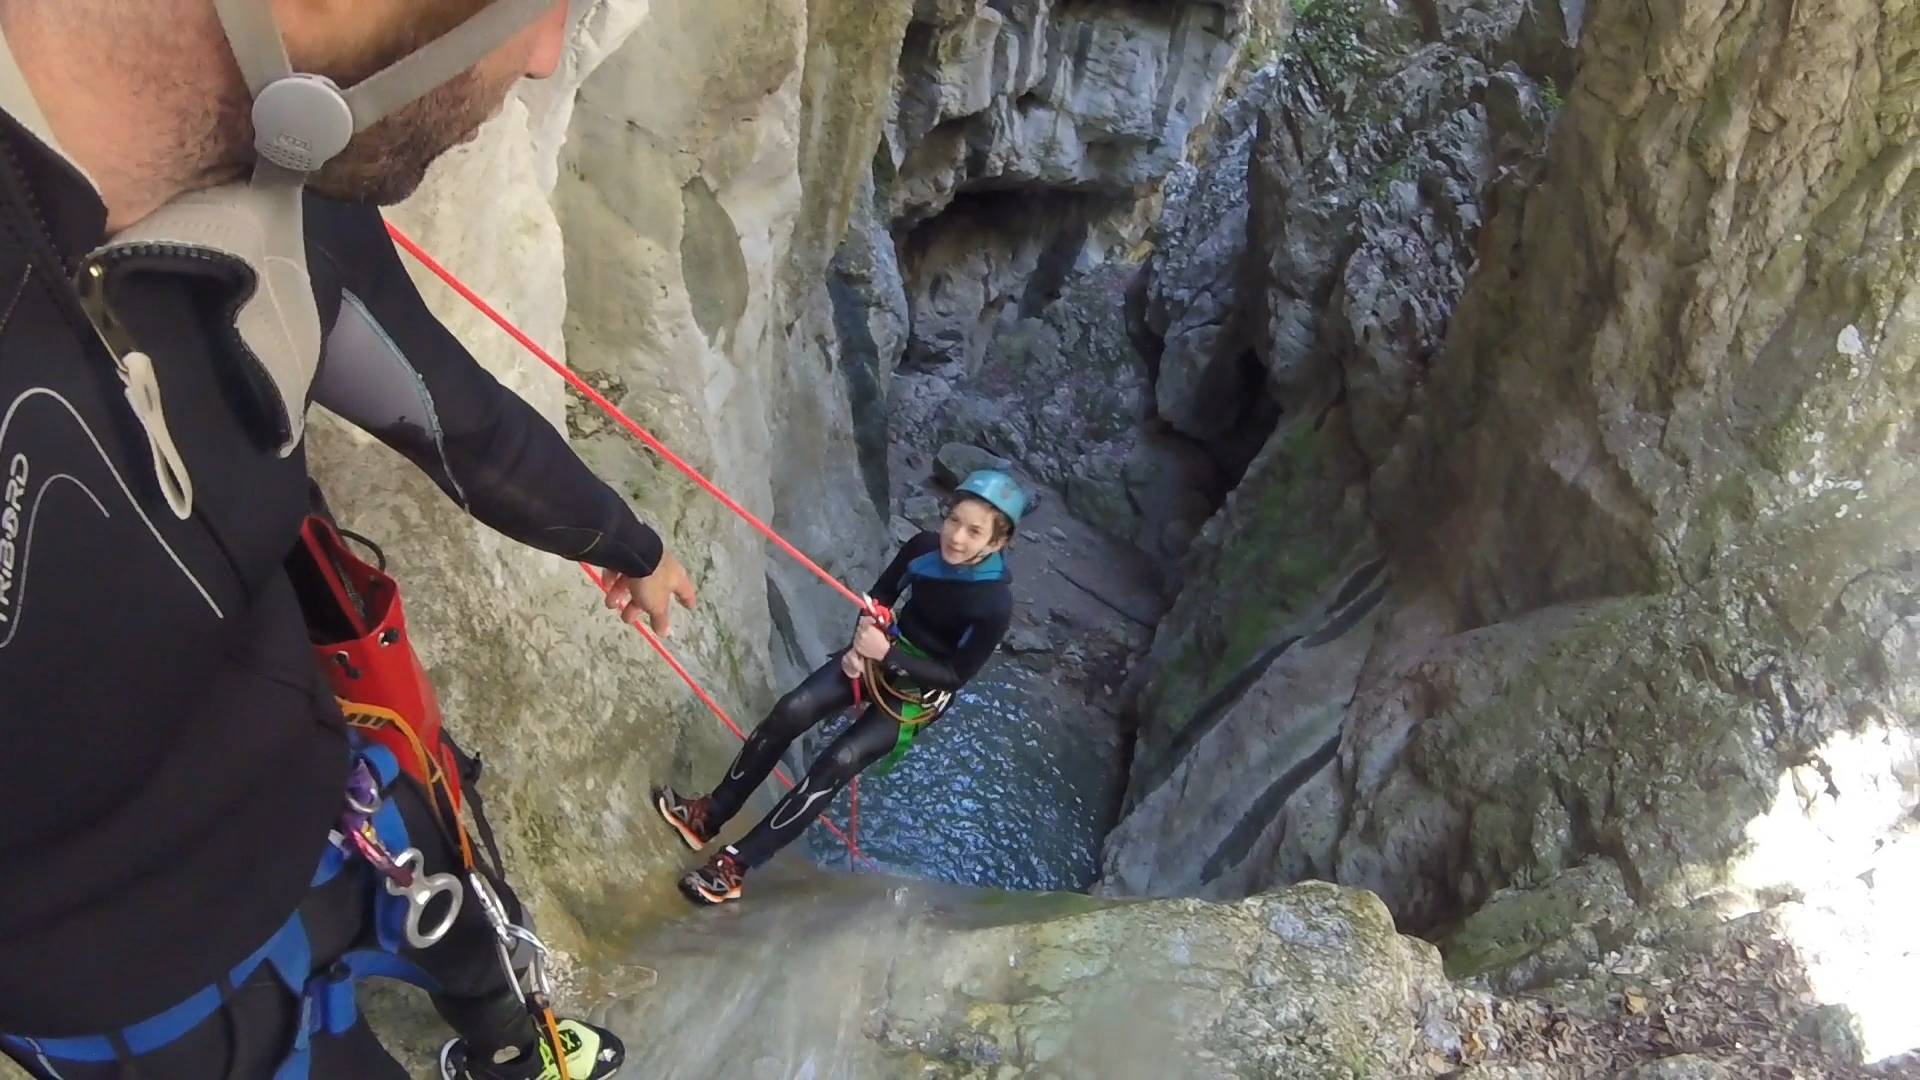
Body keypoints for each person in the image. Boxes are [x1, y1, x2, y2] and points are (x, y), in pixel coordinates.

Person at [0, 3, 695, 1078]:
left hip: (325, 801)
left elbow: (459, 421)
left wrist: (628, 545)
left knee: (483, 956)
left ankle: (512, 1050)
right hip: (145, 995)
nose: (547, 53)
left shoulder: (271, 197)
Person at [653, 470, 1026, 905]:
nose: (956, 537)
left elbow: (955, 676)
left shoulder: (995, 604)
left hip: (918, 693)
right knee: (792, 710)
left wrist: (886, 654)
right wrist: (863, 639)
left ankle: (735, 865)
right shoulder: (923, 548)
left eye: (974, 531)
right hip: (878, 651)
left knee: (837, 762)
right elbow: (881, 595)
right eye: (954, 520)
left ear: (996, 542)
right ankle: (710, 814)